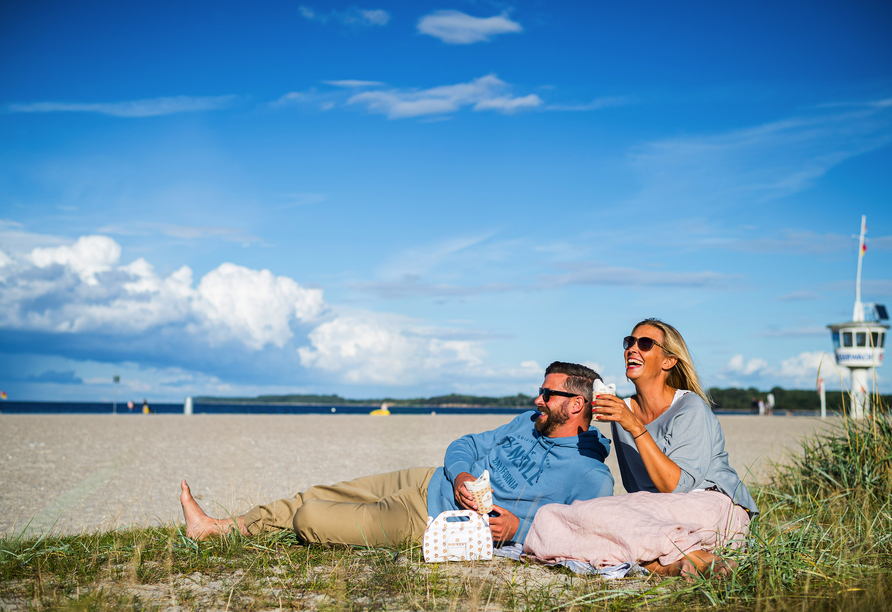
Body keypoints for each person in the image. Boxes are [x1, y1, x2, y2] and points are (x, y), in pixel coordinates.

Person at [179, 361, 615, 547]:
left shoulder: (590, 475)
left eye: (548, 394)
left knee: (309, 516)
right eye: (540, 390)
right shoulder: (526, 422)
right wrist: (461, 475)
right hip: (429, 479)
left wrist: (519, 530)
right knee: (314, 493)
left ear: (576, 404)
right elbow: (465, 445)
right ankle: (219, 529)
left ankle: (240, 529)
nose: (538, 399)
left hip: (430, 520)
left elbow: (584, 537)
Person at [590, 318, 758, 577]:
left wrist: (635, 426)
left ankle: (667, 561)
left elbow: (676, 487)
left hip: (713, 507)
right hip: (660, 513)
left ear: (668, 361)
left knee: (601, 517)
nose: (632, 349)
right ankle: (678, 563)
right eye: (629, 342)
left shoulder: (690, 407)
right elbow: (636, 488)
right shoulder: (624, 411)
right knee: (566, 516)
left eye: (645, 344)